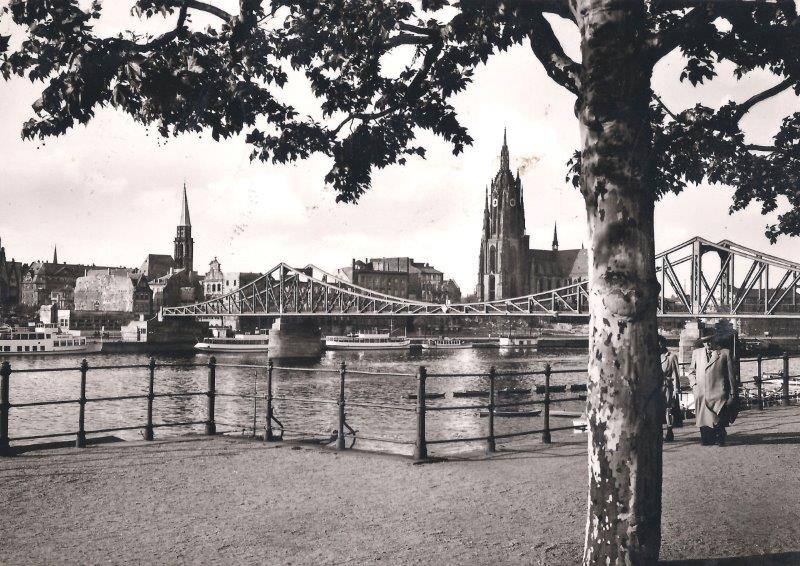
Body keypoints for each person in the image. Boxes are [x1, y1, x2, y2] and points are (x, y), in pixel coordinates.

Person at [688, 332, 738, 446]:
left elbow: (731, 375)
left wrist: (733, 392)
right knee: (704, 419)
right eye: (705, 342)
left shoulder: (724, 353)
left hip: (718, 390)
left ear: (715, 340)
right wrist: (694, 385)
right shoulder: (697, 353)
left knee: (719, 417)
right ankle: (707, 438)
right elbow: (691, 371)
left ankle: (720, 436)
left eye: (710, 341)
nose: (707, 344)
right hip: (702, 391)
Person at [659, 335, 680, 442]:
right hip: (656, 387)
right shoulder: (653, 356)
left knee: (668, 410)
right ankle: (658, 433)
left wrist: (676, 389)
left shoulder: (671, 356)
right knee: (656, 410)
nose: (658, 345)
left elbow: (675, 374)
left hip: (667, 386)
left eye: (660, 342)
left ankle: (669, 430)